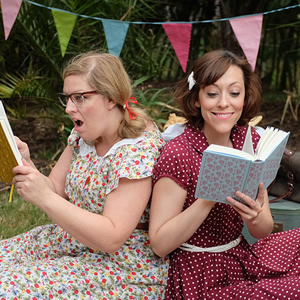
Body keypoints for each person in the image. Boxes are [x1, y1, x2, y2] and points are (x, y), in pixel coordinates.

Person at [0, 52, 169, 299]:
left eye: (80, 98)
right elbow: (55, 188)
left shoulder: (137, 149)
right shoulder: (84, 135)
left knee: (7, 289)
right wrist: (26, 164)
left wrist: (44, 198)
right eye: (67, 98)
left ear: (111, 98)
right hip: (71, 241)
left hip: (119, 265)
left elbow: (112, 237)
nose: (69, 108)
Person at [149, 49, 300, 299]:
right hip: (197, 275)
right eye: (212, 93)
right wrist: (209, 196)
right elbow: (160, 245)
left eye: (234, 93)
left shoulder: (249, 140)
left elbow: (263, 228)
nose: (223, 103)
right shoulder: (179, 152)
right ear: (197, 98)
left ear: (244, 97)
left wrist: (254, 218)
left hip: (240, 257)